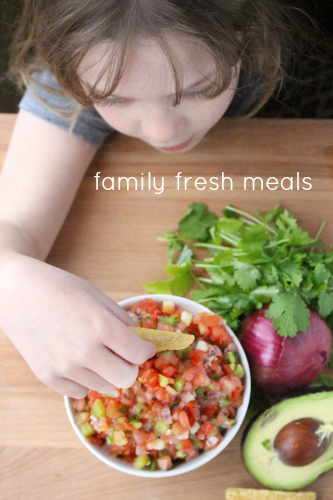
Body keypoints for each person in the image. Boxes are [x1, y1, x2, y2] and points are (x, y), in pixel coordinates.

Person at [1, 0, 296, 398]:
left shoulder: (281, 55)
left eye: (199, 89)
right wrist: (10, 284)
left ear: (245, 36)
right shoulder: (73, 77)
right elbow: (14, 224)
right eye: (115, 99)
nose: (162, 131)